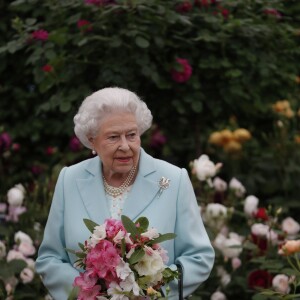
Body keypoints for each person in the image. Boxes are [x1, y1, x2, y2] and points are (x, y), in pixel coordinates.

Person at [36, 87, 215, 299]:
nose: (125, 146)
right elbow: (50, 258)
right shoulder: (69, 179)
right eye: (113, 137)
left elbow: (199, 257)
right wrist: (87, 294)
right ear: (92, 140)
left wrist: (152, 291)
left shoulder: (173, 180)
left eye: (131, 135)